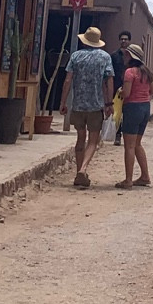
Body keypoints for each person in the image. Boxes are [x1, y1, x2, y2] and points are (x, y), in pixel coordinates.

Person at [59, 25, 114, 190]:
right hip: (96, 106)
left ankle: (78, 173)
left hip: (78, 105)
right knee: (93, 140)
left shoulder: (76, 56)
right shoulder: (105, 57)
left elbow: (67, 80)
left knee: (80, 138)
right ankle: (83, 169)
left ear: (84, 41)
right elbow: (109, 80)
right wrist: (109, 103)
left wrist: (63, 102)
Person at [115, 43, 153, 189]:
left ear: (129, 56)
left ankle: (128, 180)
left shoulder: (129, 72)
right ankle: (145, 176)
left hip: (132, 108)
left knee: (129, 146)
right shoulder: (146, 72)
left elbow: (126, 93)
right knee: (137, 144)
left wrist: (120, 91)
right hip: (145, 107)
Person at [111, 31, 135, 145]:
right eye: (122, 39)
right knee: (117, 112)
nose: (123, 41)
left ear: (129, 41)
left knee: (128, 112)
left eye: (126, 39)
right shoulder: (114, 56)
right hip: (116, 88)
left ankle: (127, 136)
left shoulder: (132, 57)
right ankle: (117, 134)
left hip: (130, 88)